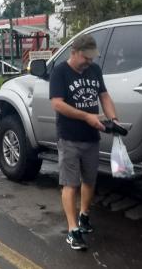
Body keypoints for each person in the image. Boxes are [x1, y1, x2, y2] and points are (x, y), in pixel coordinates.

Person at [49, 34, 119, 251]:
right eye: (85, 58)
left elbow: (104, 96)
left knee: (90, 180)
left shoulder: (94, 70)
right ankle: (73, 231)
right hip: (69, 137)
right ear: (74, 52)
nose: (89, 62)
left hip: (92, 137)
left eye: (91, 58)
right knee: (71, 183)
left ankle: (84, 216)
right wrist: (87, 117)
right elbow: (58, 105)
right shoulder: (60, 72)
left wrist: (113, 119)